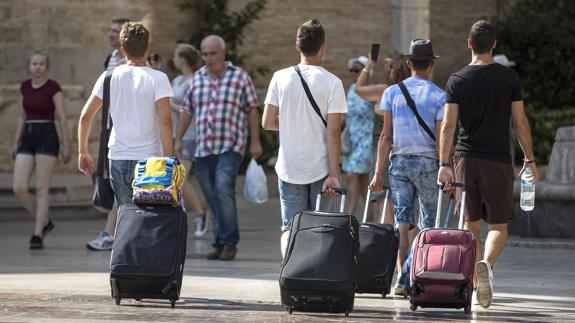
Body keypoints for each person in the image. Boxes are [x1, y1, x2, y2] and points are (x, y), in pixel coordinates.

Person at [437, 19, 539, 309]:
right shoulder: (508, 78)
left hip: (465, 161)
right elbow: (520, 122)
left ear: (469, 43)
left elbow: (448, 125)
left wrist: (444, 163)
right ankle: (486, 265)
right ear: (493, 44)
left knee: (471, 226)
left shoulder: (456, 80)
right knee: (498, 226)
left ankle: (479, 282)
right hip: (497, 162)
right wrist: (529, 159)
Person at [262, 19, 347, 258]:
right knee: (321, 228)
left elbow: (267, 123)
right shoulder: (333, 83)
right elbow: (333, 132)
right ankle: (315, 280)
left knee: (290, 228)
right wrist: (334, 174)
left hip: (289, 167)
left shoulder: (280, 77)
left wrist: (289, 124)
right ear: (323, 47)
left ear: (297, 46)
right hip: (321, 169)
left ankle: (289, 276)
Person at [175, 35, 262, 261]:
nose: (209, 58)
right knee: (212, 196)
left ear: (223, 53)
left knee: (223, 189)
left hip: (230, 146)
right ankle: (220, 241)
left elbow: (253, 108)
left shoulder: (240, 77)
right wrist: (178, 139)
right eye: (205, 54)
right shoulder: (196, 80)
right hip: (203, 148)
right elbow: (186, 111)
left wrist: (255, 141)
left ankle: (230, 242)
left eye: (213, 53)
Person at [370, 39, 445, 296]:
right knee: (427, 223)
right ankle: (413, 274)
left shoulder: (392, 93)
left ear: (409, 63)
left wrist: (378, 172)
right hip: (427, 163)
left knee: (402, 222)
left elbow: (385, 137)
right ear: (432, 65)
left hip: (399, 162)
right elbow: (441, 138)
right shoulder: (439, 95)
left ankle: (401, 281)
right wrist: (446, 166)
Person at [78, 22, 173, 209]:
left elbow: (86, 116)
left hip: (118, 158)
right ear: (147, 49)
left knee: (127, 216)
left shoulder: (108, 77)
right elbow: (165, 121)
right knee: (149, 218)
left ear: (122, 50)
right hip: (150, 159)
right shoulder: (158, 79)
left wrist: (83, 151)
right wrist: (168, 158)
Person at [11, 49, 71, 249]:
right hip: (28, 134)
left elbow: (62, 117)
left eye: (41, 64)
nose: (37, 67)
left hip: (47, 134)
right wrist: (16, 141)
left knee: (41, 187)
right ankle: (44, 221)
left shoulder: (54, 87)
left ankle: (38, 233)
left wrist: (67, 144)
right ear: (28, 66)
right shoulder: (25, 87)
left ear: (47, 66)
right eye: (34, 64)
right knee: (19, 187)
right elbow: (22, 115)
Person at [86, 17, 131, 251]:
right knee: (110, 178)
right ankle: (111, 232)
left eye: (115, 32)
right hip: (111, 126)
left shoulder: (135, 61)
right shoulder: (111, 59)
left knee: (118, 180)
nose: (110, 35)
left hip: (127, 128)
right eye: (110, 30)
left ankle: (111, 233)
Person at [355, 55, 405, 224]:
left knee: (385, 205)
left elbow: (359, 88)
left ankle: (389, 246)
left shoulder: (384, 91)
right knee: (406, 207)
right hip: (405, 152)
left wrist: (368, 67)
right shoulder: (410, 92)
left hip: (381, 153)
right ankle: (408, 249)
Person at [171, 43, 209, 237]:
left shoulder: (194, 81)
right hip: (175, 135)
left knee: (180, 179)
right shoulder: (176, 80)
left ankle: (200, 214)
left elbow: (192, 109)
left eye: (176, 56)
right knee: (175, 179)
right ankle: (198, 209)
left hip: (190, 135)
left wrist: (175, 107)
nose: (173, 60)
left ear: (183, 60)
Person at [341, 56, 374, 216]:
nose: (354, 73)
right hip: (352, 140)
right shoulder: (351, 90)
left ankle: (349, 214)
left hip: (366, 141)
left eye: (357, 70)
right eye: (351, 70)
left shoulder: (372, 89)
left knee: (351, 175)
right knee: (361, 180)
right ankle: (369, 214)